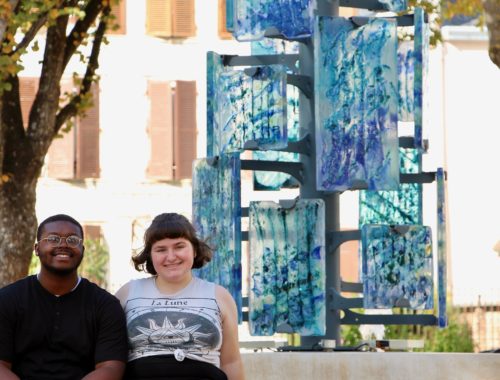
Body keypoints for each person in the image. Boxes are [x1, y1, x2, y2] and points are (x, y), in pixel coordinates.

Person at [115, 213, 245, 380]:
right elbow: (111, 357)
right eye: (161, 249)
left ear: (195, 249)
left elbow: (231, 362)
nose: (171, 257)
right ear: (150, 255)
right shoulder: (127, 293)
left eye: (179, 246)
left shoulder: (220, 296)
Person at [0, 214, 128, 380]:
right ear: (37, 249)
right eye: (53, 239)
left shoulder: (105, 305)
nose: (63, 245)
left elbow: (111, 367)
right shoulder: (8, 300)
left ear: (82, 249)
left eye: (73, 240)